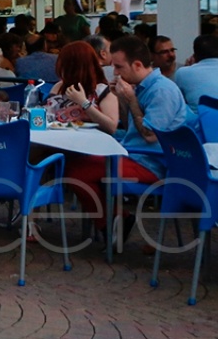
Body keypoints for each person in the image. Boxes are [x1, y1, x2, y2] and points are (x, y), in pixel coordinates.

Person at [65, 35, 189, 246]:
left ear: (137, 65)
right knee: (79, 163)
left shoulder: (161, 91)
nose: (115, 73)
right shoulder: (142, 86)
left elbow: (149, 135)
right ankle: (115, 218)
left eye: (120, 67)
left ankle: (113, 221)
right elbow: (130, 125)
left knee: (76, 171)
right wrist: (123, 100)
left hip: (153, 162)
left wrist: (130, 100)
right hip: (134, 154)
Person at [44, 41, 119, 134]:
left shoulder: (102, 91)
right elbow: (47, 115)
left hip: (90, 142)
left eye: (64, 67)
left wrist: (83, 103)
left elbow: (111, 127)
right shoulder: (59, 86)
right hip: (57, 138)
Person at [173, 34, 218, 111]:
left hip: (201, 121)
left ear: (194, 54)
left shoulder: (183, 72)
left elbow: (177, 102)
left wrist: (188, 67)